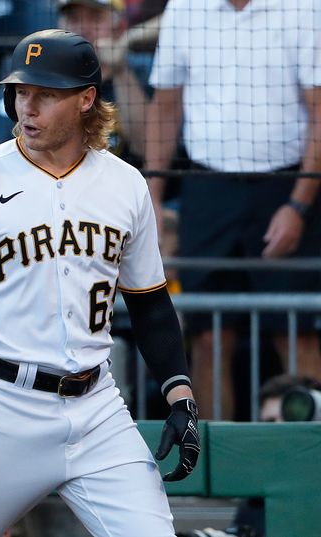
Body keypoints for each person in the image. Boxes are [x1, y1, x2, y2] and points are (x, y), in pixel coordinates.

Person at [0, 29, 200, 537]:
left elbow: (151, 304)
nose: (29, 107)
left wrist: (179, 395)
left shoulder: (124, 185)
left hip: (97, 410)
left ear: (86, 99)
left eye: (46, 94)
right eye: (22, 92)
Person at [146, 0, 321, 420]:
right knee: (207, 336)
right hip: (208, 188)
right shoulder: (184, 9)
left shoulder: (303, 7)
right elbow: (164, 106)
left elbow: (320, 112)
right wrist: (151, 197)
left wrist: (298, 203)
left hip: (285, 184)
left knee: (296, 333)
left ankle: (311, 469)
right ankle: (216, 472)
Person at [57, 0, 149, 166]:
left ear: (119, 27)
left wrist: (120, 70)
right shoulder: (44, 76)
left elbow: (147, 149)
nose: (83, 28)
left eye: (95, 18)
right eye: (74, 19)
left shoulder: (145, 72)